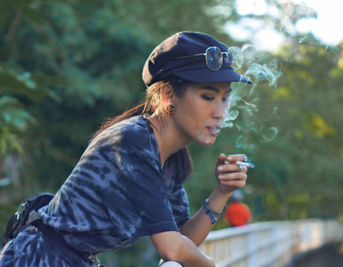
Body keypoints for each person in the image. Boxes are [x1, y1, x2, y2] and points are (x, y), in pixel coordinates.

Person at [0, 31, 252, 267]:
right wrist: (210, 264)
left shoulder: (169, 157)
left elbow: (182, 238)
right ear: (167, 95)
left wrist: (221, 192)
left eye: (225, 98)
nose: (220, 112)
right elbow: (172, 250)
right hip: (37, 258)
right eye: (208, 97)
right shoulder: (133, 142)